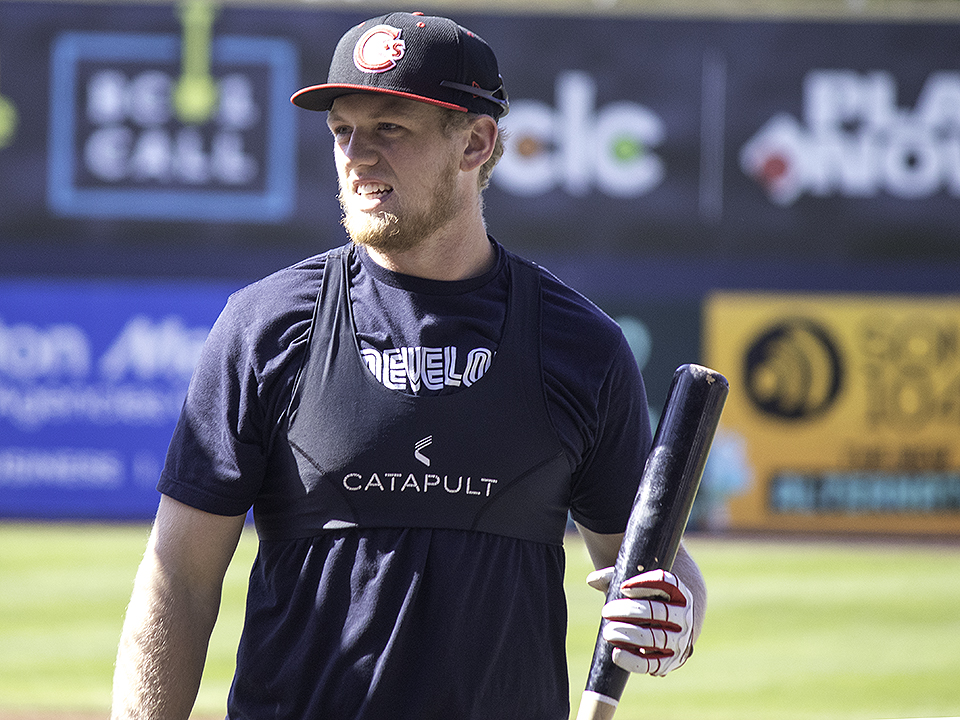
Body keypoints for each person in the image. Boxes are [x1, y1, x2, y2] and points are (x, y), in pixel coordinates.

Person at [111, 11, 706, 720]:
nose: (357, 155)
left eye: (390, 128)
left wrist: (677, 616)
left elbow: (645, 563)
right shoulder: (262, 326)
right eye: (342, 132)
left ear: (476, 143)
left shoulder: (580, 344)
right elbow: (177, 575)